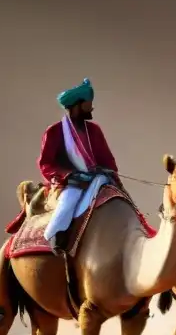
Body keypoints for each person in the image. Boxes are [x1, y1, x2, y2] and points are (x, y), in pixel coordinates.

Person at [38, 78, 122, 254]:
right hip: (70, 183)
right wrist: (69, 175)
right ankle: (57, 237)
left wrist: (107, 170)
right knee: (69, 201)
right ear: (77, 105)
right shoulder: (54, 132)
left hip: (98, 180)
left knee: (121, 202)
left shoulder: (94, 131)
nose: (91, 107)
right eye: (88, 104)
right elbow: (46, 163)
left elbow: (107, 159)